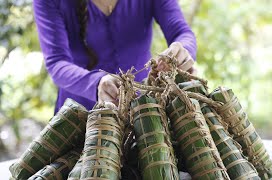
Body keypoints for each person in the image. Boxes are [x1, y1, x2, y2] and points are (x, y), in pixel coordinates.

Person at [33, 0, 197, 113]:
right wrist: (97, 83)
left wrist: (183, 50)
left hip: (142, 115)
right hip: (78, 116)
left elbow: (181, 33)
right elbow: (57, 62)